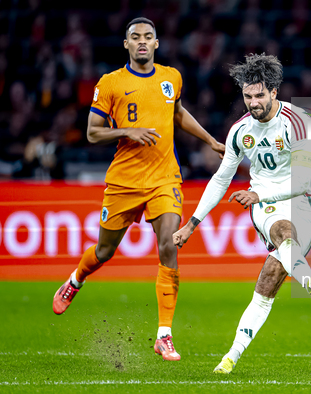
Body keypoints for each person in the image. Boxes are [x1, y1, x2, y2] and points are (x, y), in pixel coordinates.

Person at [51, 17, 225, 361]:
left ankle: (164, 334)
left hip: (164, 178)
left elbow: (176, 113)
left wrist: (209, 140)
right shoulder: (111, 83)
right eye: (136, 37)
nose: (142, 41)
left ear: (156, 44)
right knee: (103, 252)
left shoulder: (171, 77)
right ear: (127, 45)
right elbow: (92, 133)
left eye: (148, 37)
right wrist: (127, 132)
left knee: (169, 245)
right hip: (124, 181)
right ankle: (75, 279)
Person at [172, 53, 311, 374]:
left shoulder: (298, 123)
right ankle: (231, 357)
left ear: (274, 92)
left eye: (259, 95)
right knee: (284, 233)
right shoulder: (239, 131)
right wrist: (191, 224)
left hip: (301, 201)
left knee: (269, 278)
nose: (253, 103)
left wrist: (258, 193)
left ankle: (302, 272)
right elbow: (220, 179)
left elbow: (303, 181)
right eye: (247, 96)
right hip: (268, 208)